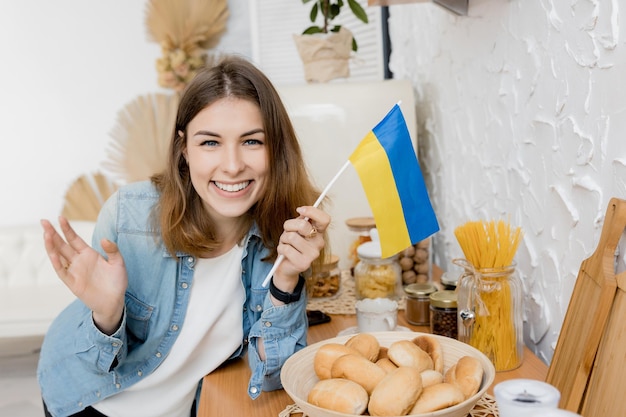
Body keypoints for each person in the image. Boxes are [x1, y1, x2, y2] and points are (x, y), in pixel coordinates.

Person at [37, 54, 330, 417]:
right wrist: (107, 315)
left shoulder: (283, 232)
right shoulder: (129, 217)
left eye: (252, 142)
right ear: (184, 149)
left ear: (276, 149)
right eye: (210, 143)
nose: (233, 164)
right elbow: (95, 362)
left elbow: (274, 374)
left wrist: (285, 280)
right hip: (90, 401)